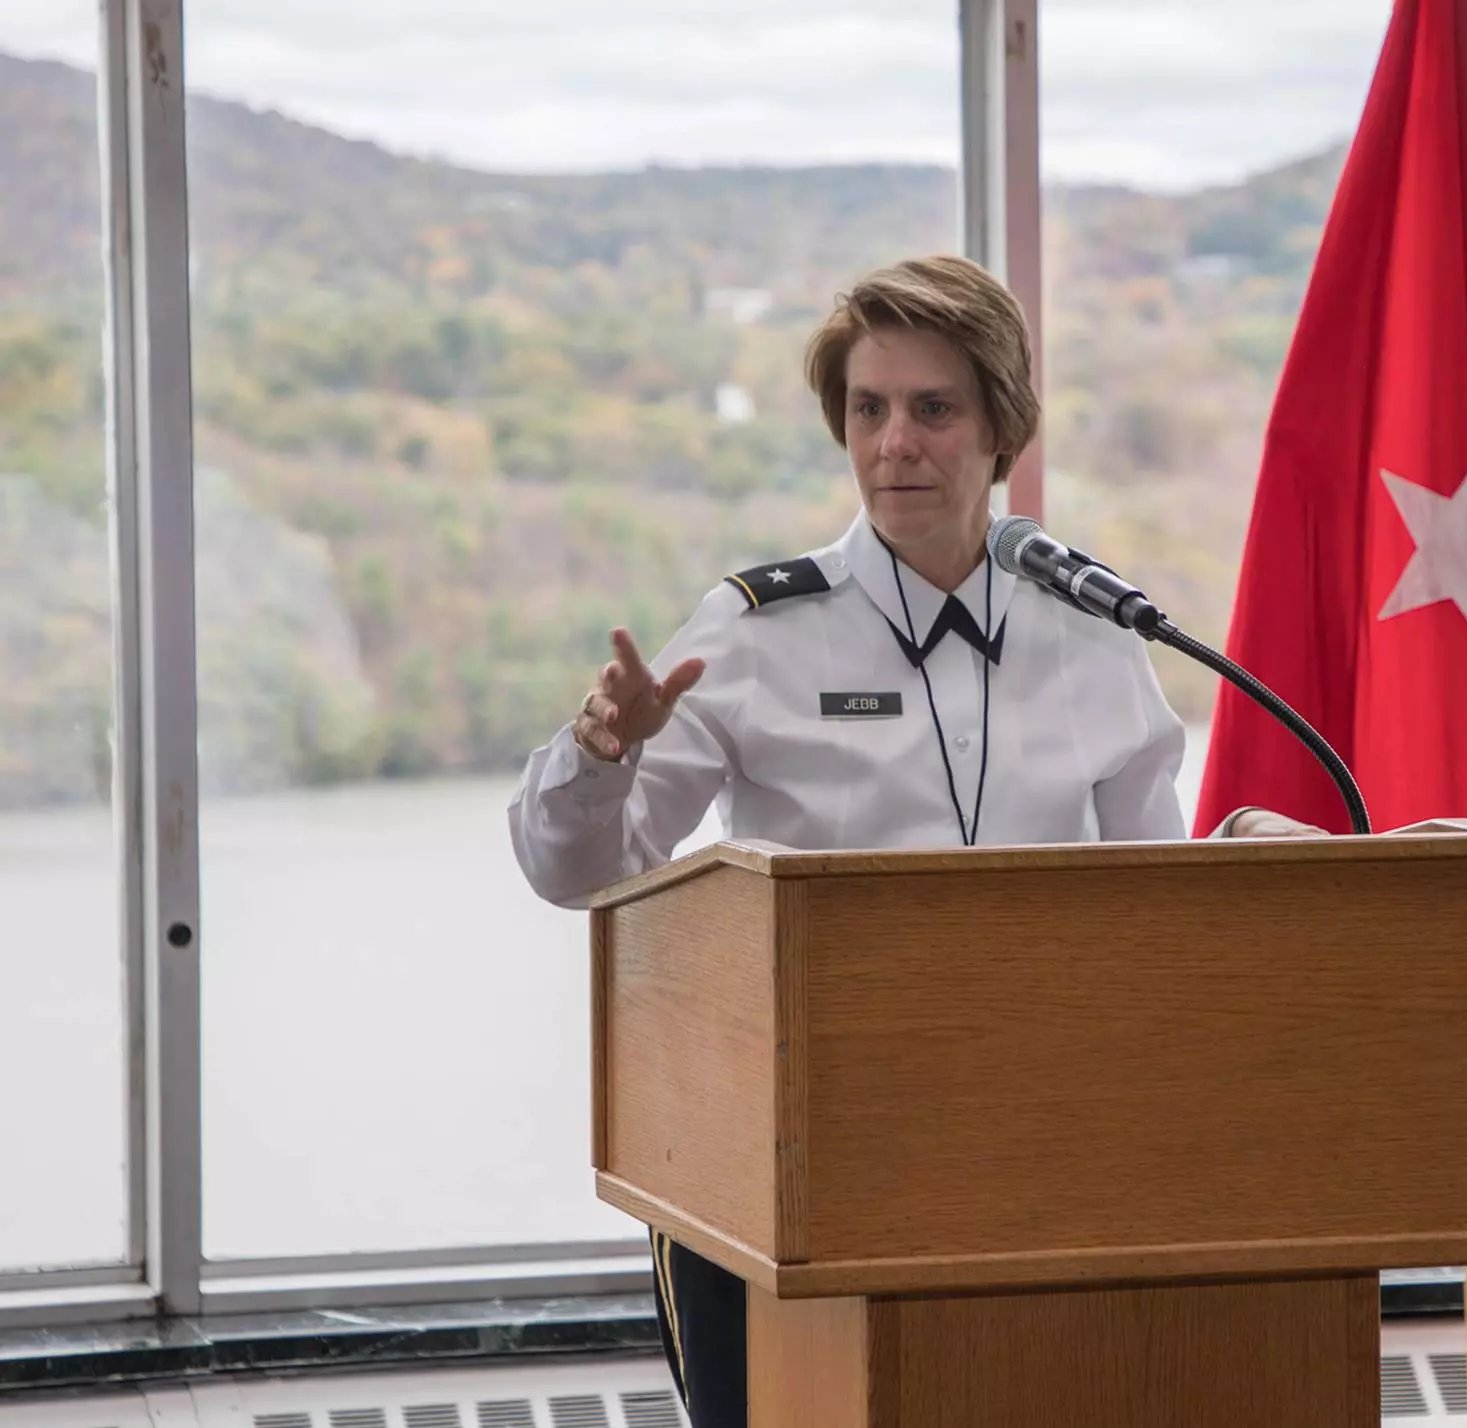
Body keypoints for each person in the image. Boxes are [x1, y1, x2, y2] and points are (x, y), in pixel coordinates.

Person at [507, 254, 1322, 1428]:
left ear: (1002, 428)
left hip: (1039, 1165)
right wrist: (599, 755)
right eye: (867, 409)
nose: (895, 443)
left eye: (932, 409)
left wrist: (1243, 861)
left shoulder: (1093, 636)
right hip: (785, 1165)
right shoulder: (753, 634)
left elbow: (1148, 909)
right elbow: (576, 874)